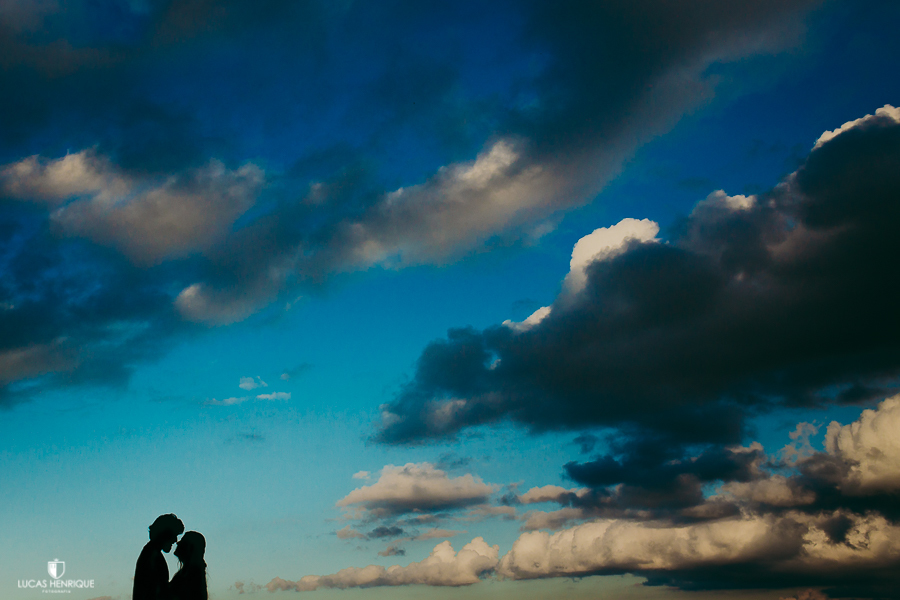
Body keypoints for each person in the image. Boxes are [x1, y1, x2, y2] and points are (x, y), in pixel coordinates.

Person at [134, 513, 184, 600]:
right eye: (174, 535)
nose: (175, 540)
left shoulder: (150, 554)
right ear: (165, 534)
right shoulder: (152, 557)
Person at [169, 531, 208, 600]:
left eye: (183, 542)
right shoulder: (192, 573)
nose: (178, 543)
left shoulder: (193, 575)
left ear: (190, 548)